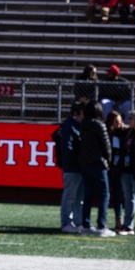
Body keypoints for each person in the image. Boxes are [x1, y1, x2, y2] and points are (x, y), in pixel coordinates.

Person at [79, 101, 114, 236]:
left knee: (88, 194)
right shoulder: (100, 125)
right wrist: (109, 161)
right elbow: (106, 146)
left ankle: (86, 225)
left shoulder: (83, 124)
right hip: (98, 163)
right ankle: (101, 225)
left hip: (84, 162)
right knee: (104, 193)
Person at [54, 100, 85, 233]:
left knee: (79, 196)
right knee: (70, 195)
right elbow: (67, 147)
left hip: (78, 166)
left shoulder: (76, 124)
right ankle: (66, 222)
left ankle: (78, 222)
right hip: (73, 166)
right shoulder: (70, 125)